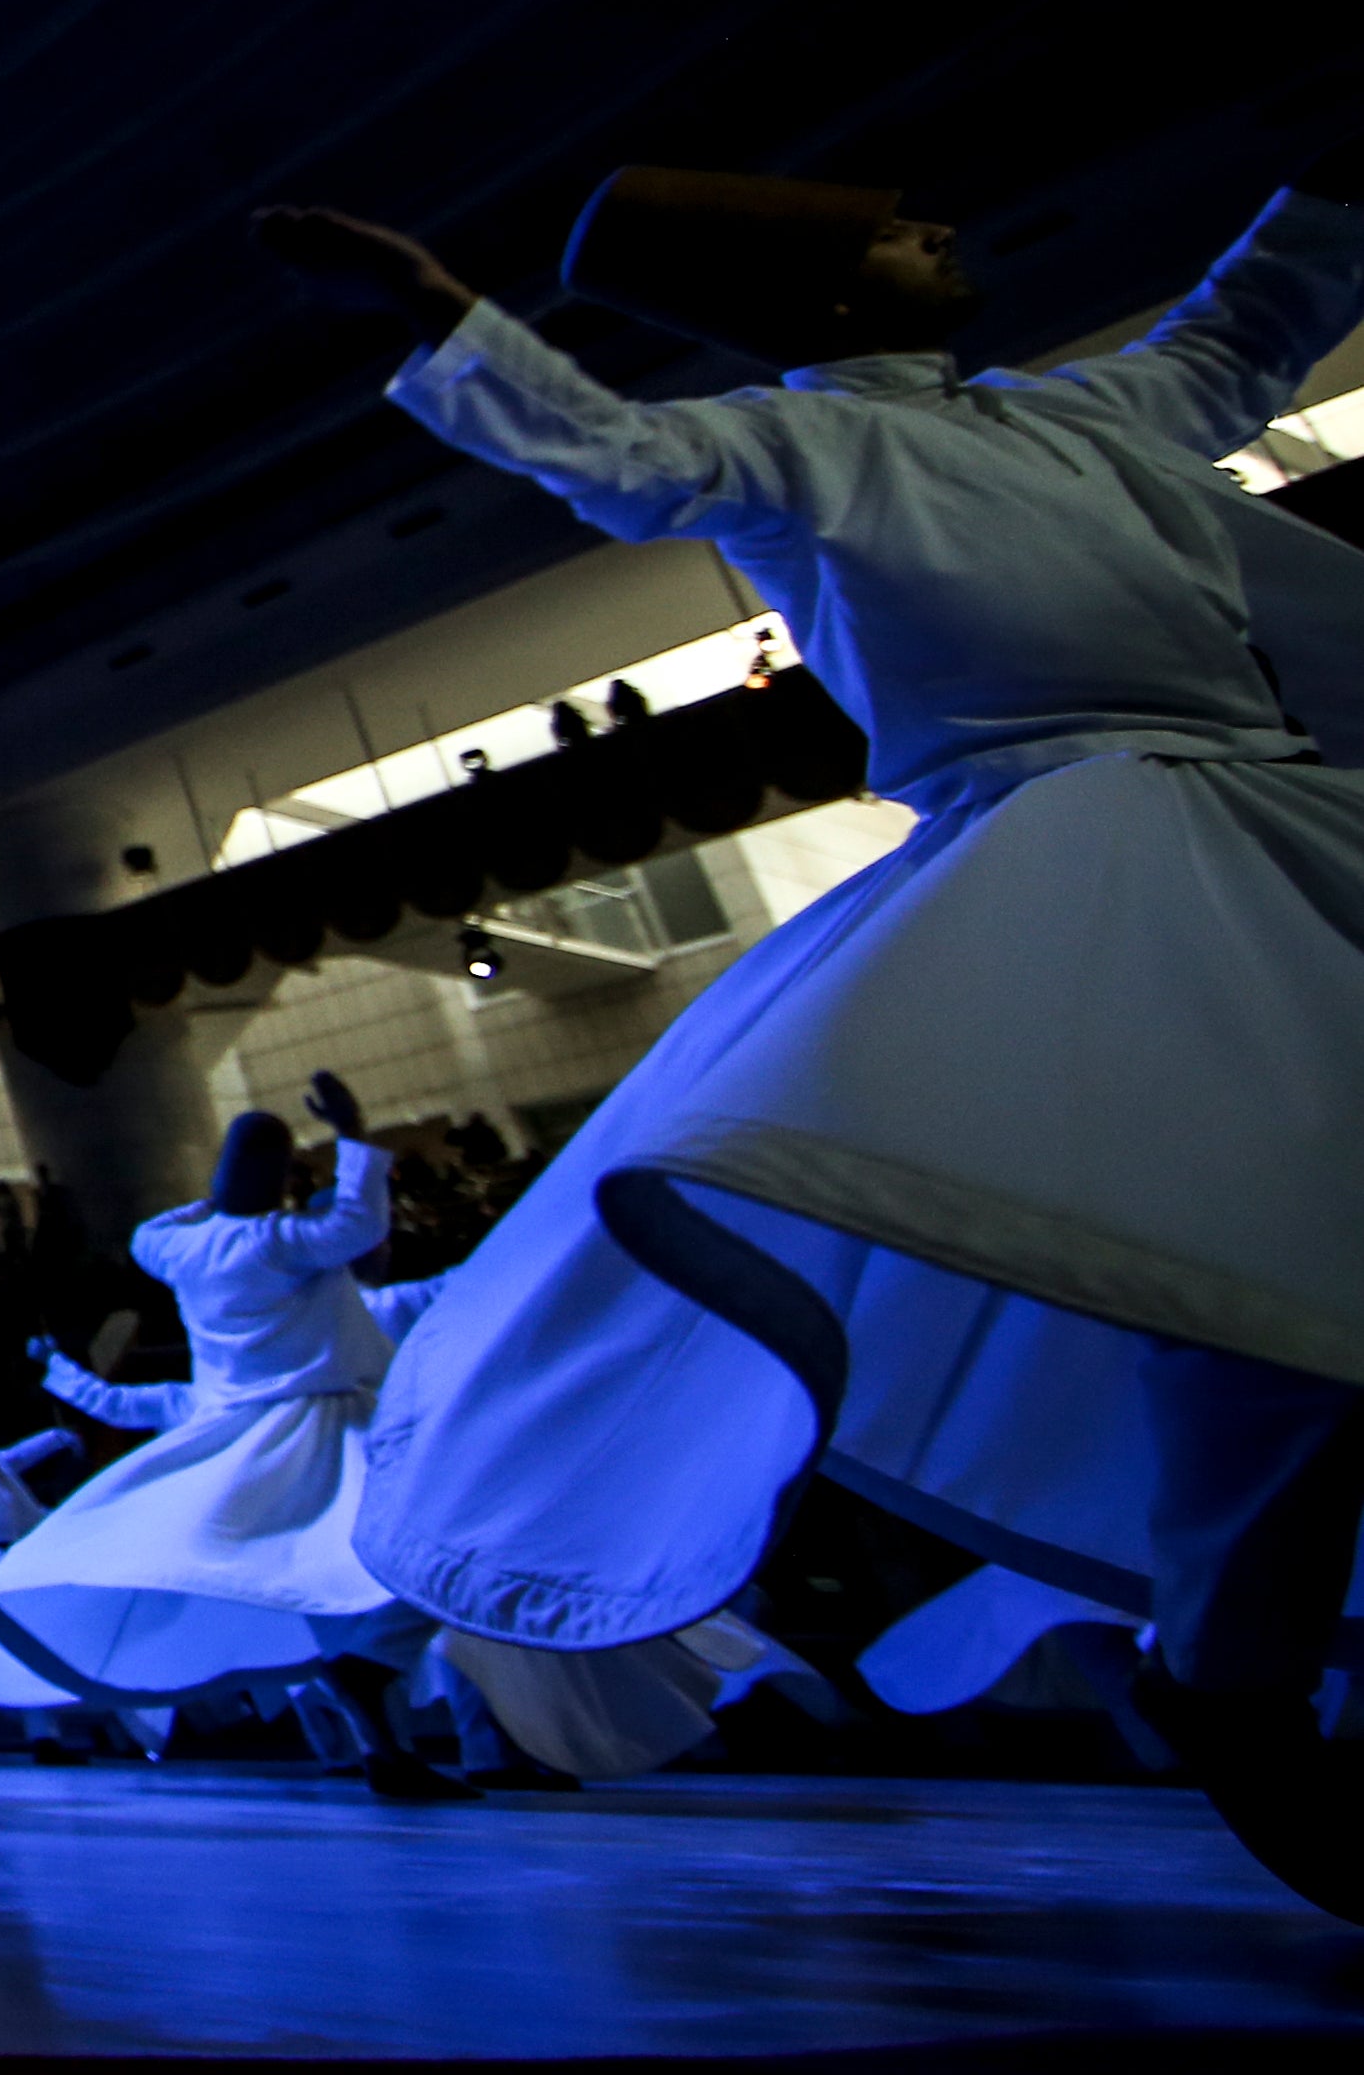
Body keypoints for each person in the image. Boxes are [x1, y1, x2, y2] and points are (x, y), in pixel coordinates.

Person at [265, 151, 1362, 1914]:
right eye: (906, 235)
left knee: (1297, 1274)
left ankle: (1238, 1652)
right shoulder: (798, 444)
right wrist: (437, 314)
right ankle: (1227, 1675)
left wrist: (1324, 187)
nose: (949, 233)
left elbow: (1245, 327)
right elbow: (616, 459)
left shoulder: (1085, 414)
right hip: (1072, 858)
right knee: (1245, 1289)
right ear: (836, 302)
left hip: (1271, 818)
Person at [0, 1076, 477, 1800]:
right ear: (280, 1180)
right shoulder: (286, 1241)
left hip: (237, 1427)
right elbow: (360, 1227)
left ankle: (380, 1737)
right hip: (324, 1423)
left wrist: (211, 1201)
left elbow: (152, 1251)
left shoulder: (174, 1245)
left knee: (342, 1582)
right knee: (426, 1539)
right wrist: (352, 1132)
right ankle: (375, 1701)